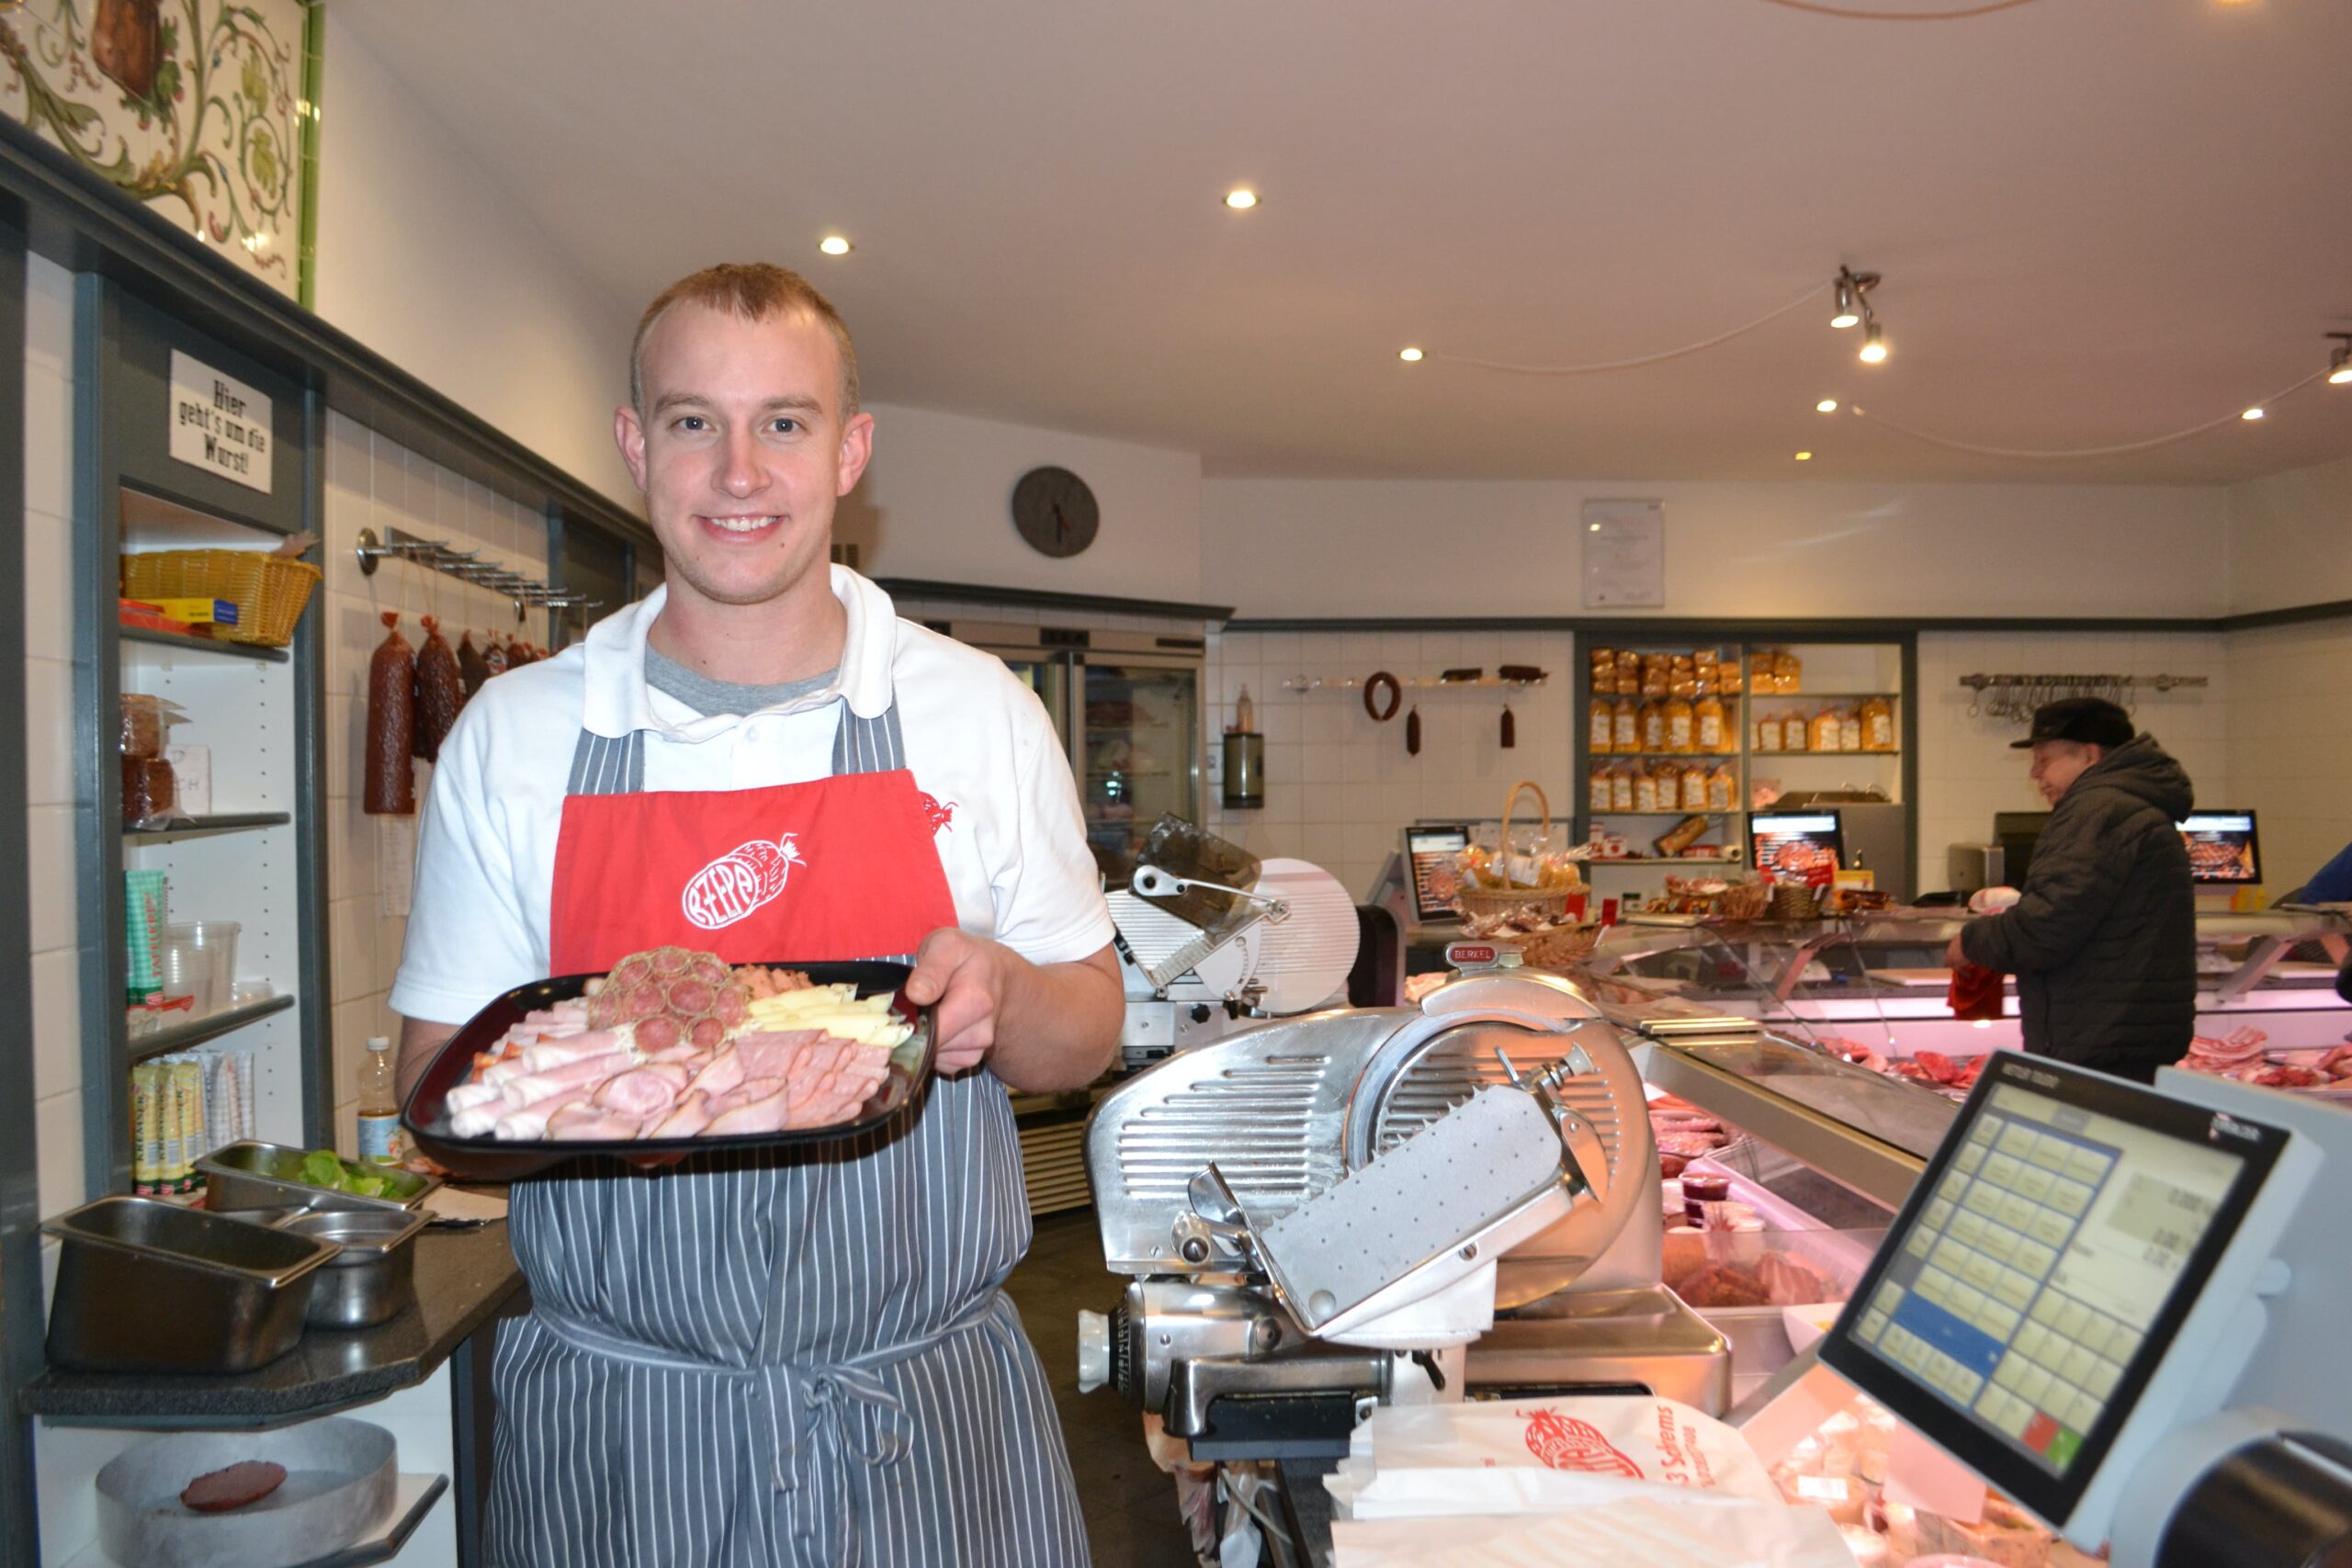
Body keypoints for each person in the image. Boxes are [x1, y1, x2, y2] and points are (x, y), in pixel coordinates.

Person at [389, 263, 1124, 1567]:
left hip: (925, 1417)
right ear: (635, 445)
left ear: (849, 450)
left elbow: (1088, 1033)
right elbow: (437, 1094)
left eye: (782, 421)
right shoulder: (520, 734)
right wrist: (618, 1077)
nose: (739, 470)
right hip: (626, 1431)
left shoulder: (977, 713)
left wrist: (1004, 994)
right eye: (691, 421)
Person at [1943, 697, 2196, 1082]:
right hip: (2124, 1042)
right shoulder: (2131, 807)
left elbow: (2046, 928)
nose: (2034, 773)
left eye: (2045, 760)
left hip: (2099, 1047)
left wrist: (1971, 940)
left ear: (2090, 756)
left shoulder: (2097, 809)